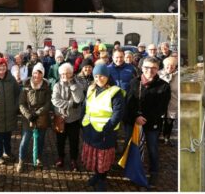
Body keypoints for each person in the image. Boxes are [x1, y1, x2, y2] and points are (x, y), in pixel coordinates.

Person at [124, 57, 170, 187]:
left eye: (153, 68)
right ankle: (133, 171)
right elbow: (128, 103)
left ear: (157, 69)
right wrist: (135, 118)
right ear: (142, 68)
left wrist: (145, 118)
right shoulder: (134, 82)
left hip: (151, 124)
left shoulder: (164, 86)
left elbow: (161, 108)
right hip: (133, 122)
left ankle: (153, 172)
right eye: (146, 67)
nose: (150, 70)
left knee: (152, 148)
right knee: (132, 146)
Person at [81, 63, 125, 191]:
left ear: (107, 76)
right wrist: (82, 121)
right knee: (94, 156)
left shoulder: (115, 92)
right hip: (90, 129)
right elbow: (86, 107)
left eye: (102, 76)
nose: (99, 79)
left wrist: (108, 127)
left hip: (106, 131)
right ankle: (97, 175)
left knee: (103, 158)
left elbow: (118, 112)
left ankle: (102, 179)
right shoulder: (91, 89)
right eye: (96, 76)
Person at [17, 63, 51, 172]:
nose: (37, 75)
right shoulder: (25, 86)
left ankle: (38, 157)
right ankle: (21, 160)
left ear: (43, 75)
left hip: (41, 118)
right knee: (25, 141)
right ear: (32, 73)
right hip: (28, 119)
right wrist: (28, 115)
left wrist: (37, 113)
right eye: (35, 73)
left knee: (40, 139)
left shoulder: (46, 87)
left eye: (40, 73)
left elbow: (48, 104)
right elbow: (21, 103)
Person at [0, 57, 20, 166]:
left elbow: (17, 93)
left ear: (6, 67)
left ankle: (7, 152)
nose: (2, 67)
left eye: (4, 65)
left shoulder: (11, 79)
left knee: (7, 134)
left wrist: (15, 106)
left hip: (10, 112)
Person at [51, 63, 84, 170]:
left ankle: (73, 159)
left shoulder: (77, 83)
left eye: (68, 73)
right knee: (60, 141)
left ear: (71, 73)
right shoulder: (57, 85)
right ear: (60, 74)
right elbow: (55, 100)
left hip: (74, 119)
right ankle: (61, 157)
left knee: (74, 141)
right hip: (60, 118)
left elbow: (79, 99)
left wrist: (72, 85)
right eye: (63, 74)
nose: (65, 75)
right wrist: (70, 104)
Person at [159, 56, 178, 145]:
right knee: (159, 119)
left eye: (172, 66)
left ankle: (167, 138)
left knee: (169, 121)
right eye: (167, 66)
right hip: (160, 102)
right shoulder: (159, 74)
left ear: (175, 66)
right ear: (164, 66)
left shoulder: (178, 76)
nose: (170, 68)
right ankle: (158, 137)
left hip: (173, 101)